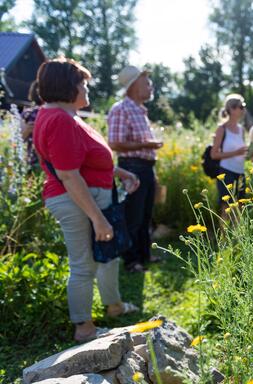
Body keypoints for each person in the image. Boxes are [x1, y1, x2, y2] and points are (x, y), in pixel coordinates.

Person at [32, 58, 140, 342]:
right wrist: (98, 218)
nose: (86, 88)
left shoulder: (66, 116)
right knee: (84, 265)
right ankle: (84, 328)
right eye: (82, 83)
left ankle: (114, 306)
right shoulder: (60, 120)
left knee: (107, 258)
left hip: (86, 195)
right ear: (67, 86)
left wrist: (119, 171)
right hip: (76, 200)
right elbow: (69, 175)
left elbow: (83, 162)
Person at [107, 66, 163, 273]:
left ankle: (144, 255)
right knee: (133, 215)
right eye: (146, 82)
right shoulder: (121, 109)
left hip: (146, 167)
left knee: (146, 214)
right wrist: (147, 146)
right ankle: (131, 260)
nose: (150, 86)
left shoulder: (140, 110)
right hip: (132, 168)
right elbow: (115, 143)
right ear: (133, 85)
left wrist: (148, 147)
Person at [210, 94, 248, 224]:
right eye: (240, 106)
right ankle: (224, 241)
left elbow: (241, 151)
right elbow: (214, 154)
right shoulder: (222, 129)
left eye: (243, 106)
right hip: (226, 171)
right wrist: (235, 152)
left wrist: (249, 154)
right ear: (231, 109)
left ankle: (238, 241)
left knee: (240, 207)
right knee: (226, 207)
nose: (243, 109)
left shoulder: (242, 129)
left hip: (240, 171)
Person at [20, 81, 43, 171]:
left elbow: (20, 138)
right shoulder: (28, 113)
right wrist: (29, 130)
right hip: (35, 160)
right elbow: (19, 138)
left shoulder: (27, 113)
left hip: (32, 159)